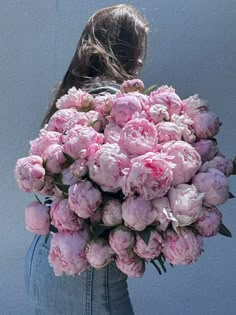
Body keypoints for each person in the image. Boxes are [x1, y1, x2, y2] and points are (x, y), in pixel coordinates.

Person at [24, 4, 149, 315]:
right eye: (138, 48)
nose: (142, 59)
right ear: (123, 50)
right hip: (86, 276)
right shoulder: (113, 105)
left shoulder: (76, 98)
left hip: (48, 257)